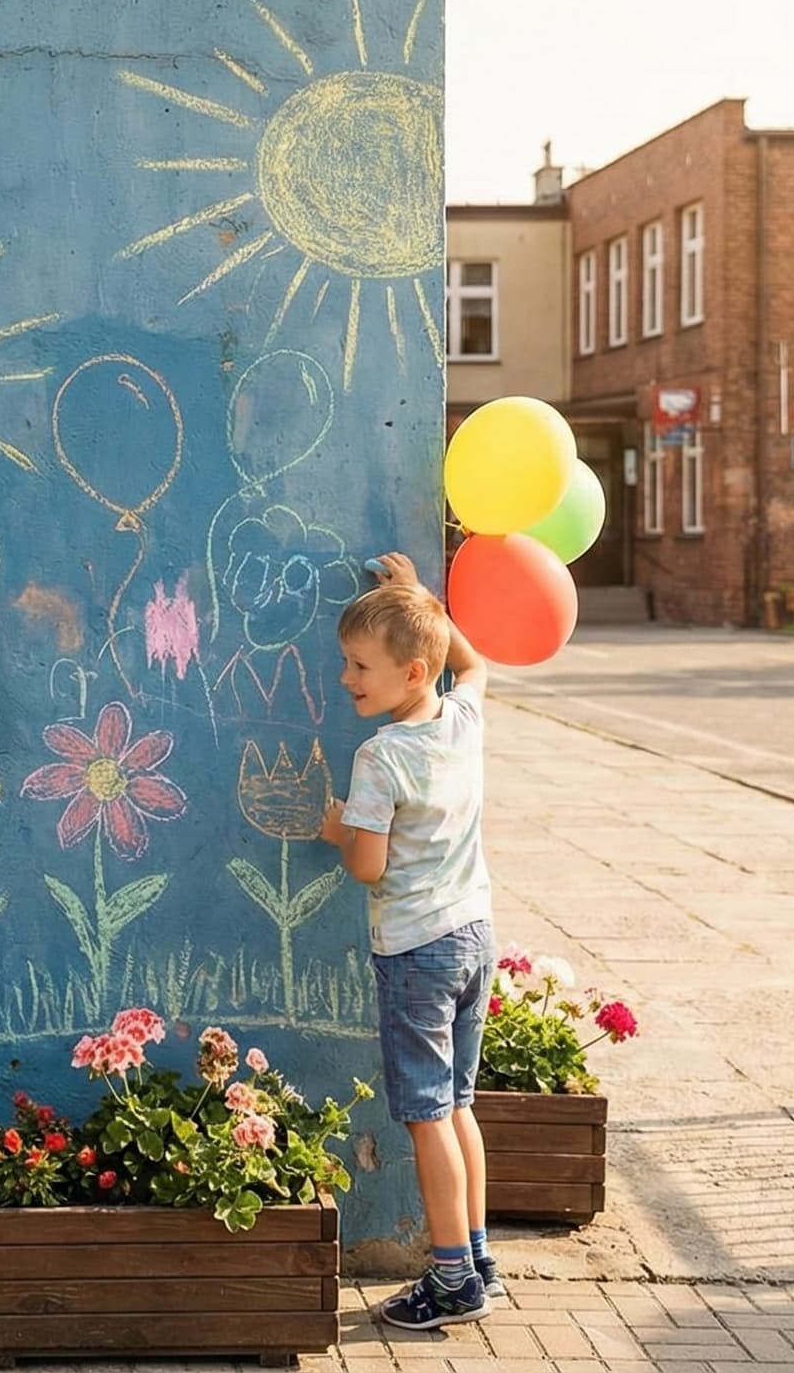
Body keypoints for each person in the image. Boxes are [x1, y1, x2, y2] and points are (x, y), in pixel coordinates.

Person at [319, 551, 501, 1329]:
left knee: (428, 1115)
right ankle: (481, 1255)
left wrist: (333, 827)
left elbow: (368, 866)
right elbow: (478, 663)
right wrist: (419, 597)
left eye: (360, 667)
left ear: (413, 671)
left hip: (418, 953)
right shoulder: (461, 717)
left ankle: (453, 1279)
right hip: (474, 935)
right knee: (459, 1104)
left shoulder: (380, 757)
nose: (348, 679)